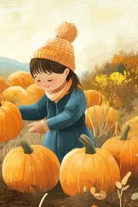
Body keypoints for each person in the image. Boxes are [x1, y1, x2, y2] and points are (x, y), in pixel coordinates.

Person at [18, 22, 97, 163]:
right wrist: (14, 111)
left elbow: (70, 114)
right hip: (51, 149)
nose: (44, 84)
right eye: (38, 79)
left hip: (77, 150)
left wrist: (46, 125)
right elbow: (37, 110)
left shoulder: (76, 95)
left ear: (66, 72)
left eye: (49, 78)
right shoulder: (50, 95)